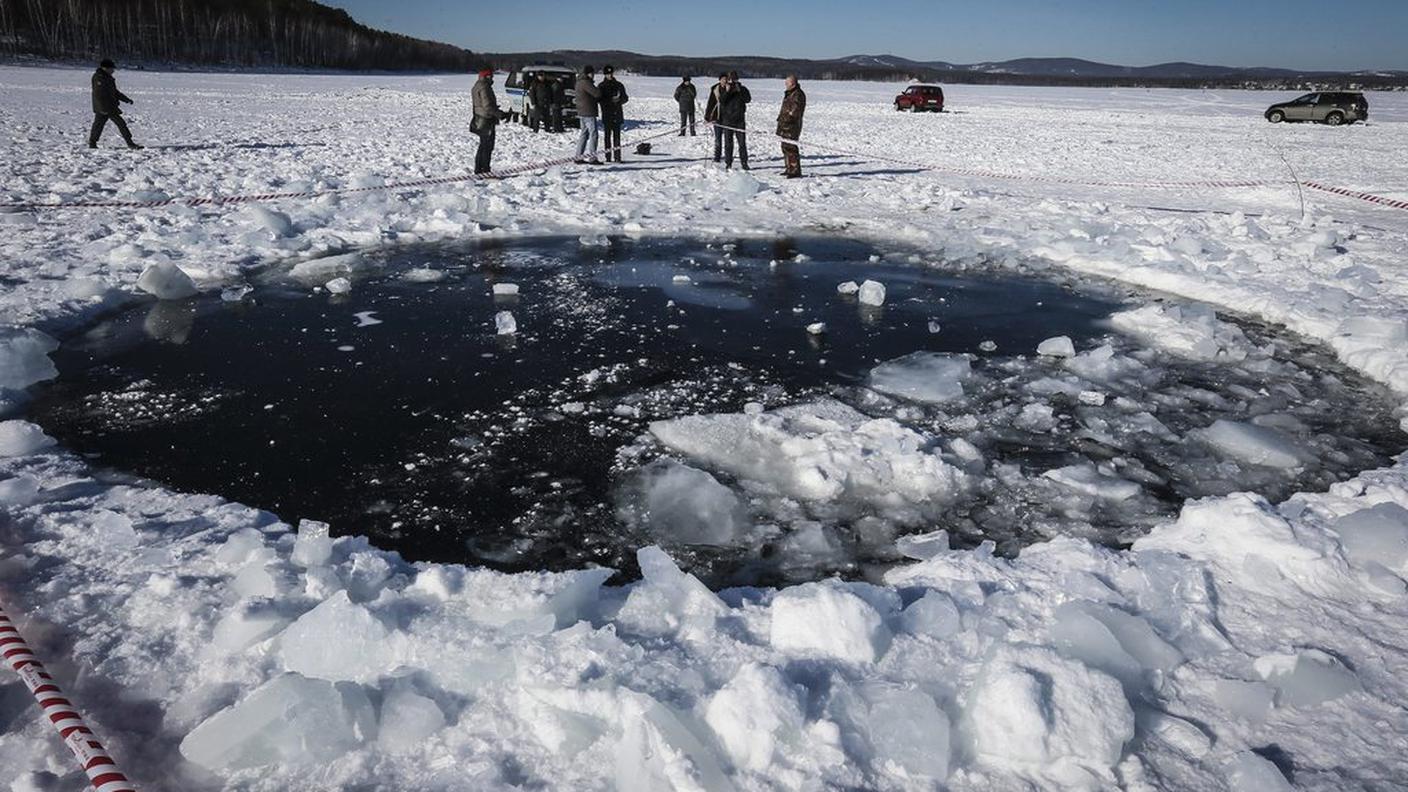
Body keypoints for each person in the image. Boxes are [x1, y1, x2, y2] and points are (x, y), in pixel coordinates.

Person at [89, 59, 142, 150]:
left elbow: (114, 92)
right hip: (106, 107)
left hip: (108, 106)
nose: (113, 70)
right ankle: (130, 143)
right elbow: (98, 94)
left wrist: (126, 99)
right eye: (111, 68)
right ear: (105, 68)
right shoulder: (99, 78)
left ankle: (92, 143)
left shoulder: (107, 77)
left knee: (98, 125)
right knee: (120, 124)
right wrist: (103, 108)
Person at [471, 68, 507, 175]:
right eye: (491, 76)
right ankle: (484, 170)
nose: (492, 78)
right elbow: (487, 106)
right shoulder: (484, 87)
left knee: (483, 145)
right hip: (486, 120)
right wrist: (500, 114)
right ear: (486, 76)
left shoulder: (477, 85)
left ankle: (479, 169)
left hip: (480, 118)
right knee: (487, 146)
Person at [717, 71, 751, 170]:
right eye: (730, 79)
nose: (732, 81)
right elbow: (722, 101)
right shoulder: (725, 89)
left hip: (739, 120)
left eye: (734, 79)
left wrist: (740, 91)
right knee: (728, 144)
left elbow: (748, 99)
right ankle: (728, 163)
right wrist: (727, 92)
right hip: (727, 121)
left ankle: (744, 163)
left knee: (742, 143)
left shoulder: (742, 89)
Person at [776, 74, 807, 178]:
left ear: (793, 83)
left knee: (791, 147)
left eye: (787, 82)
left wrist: (786, 119)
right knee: (785, 147)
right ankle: (789, 168)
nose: (785, 84)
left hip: (792, 126)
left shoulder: (798, 94)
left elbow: (794, 111)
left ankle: (795, 170)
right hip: (784, 125)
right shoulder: (790, 93)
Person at [599, 65, 629, 162]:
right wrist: (609, 101)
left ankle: (617, 157)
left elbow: (625, 98)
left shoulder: (619, 85)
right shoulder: (601, 86)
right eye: (608, 74)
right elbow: (599, 100)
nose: (610, 76)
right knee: (607, 137)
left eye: (611, 73)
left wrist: (619, 100)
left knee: (617, 137)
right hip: (607, 114)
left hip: (617, 114)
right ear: (605, 74)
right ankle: (608, 157)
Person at [574, 65, 603, 165]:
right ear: (588, 74)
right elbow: (597, 93)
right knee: (593, 134)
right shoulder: (586, 83)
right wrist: (597, 88)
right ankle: (592, 157)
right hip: (588, 112)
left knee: (584, 134)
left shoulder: (578, 82)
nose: (593, 75)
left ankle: (578, 156)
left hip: (582, 112)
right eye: (592, 73)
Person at [703, 72, 727, 161]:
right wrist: (707, 116)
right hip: (717, 117)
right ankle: (717, 156)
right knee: (718, 138)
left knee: (728, 138)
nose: (724, 81)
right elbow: (710, 103)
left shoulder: (729, 89)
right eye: (723, 79)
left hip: (727, 117)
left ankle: (728, 156)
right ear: (720, 80)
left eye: (726, 79)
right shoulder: (715, 90)